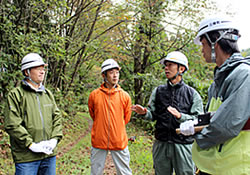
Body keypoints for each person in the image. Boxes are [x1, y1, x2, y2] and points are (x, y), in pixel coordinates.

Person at [180, 16, 250, 175]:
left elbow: (226, 126)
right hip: (213, 167)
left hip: (234, 168)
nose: (201, 50)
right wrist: (195, 123)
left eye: (203, 44)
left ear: (215, 42)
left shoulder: (244, 75)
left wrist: (197, 135)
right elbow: (215, 116)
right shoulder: (218, 81)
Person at [131, 51, 204, 175]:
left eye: (170, 65)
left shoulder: (192, 94)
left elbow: (199, 120)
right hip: (161, 144)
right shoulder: (158, 91)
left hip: (183, 145)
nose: (166, 68)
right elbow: (152, 115)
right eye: (165, 65)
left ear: (181, 69)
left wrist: (181, 116)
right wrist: (144, 113)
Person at [4, 53, 63, 175]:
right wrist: (30, 144)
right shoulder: (16, 95)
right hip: (27, 158)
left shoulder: (47, 94)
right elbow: (12, 124)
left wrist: (54, 140)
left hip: (48, 156)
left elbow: (57, 118)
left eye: (43, 69)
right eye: (38, 69)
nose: (42, 72)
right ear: (27, 72)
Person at [88, 59, 132, 175]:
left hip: (119, 140)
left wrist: (116, 128)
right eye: (111, 72)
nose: (115, 75)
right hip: (99, 140)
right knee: (96, 171)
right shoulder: (94, 95)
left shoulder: (125, 96)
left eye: (117, 72)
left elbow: (126, 118)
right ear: (104, 75)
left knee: (124, 172)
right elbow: (93, 114)